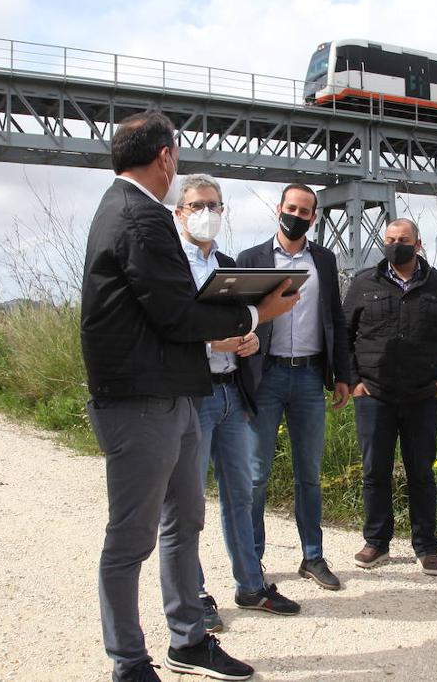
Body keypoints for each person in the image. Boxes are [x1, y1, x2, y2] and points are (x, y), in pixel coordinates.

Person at [81, 111, 299, 682]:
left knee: (185, 521)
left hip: (175, 394)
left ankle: (188, 639)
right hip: (140, 400)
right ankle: (128, 661)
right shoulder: (139, 217)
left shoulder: (128, 211)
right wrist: (261, 310)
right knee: (130, 537)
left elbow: (167, 311)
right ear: (166, 158)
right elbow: (178, 312)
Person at [172, 174, 302, 633]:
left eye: (213, 205)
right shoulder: (171, 265)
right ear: (179, 212)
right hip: (194, 393)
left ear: (223, 212)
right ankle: (195, 593)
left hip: (232, 392)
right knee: (190, 500)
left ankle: (251, 583)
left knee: (241, 492)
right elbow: (173, 328)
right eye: (195, 205)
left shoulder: (229, 265)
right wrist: (214, 343)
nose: (205, 213)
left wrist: (247, 341)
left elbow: (244, 323)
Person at [236, 184, 352, 591]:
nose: (297, 216)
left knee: (310, 475)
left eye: (305, 211)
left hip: (308, 377)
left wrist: (343, 375)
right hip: (264, 376)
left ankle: (313, 557)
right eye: (291, 208)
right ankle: (253, 559)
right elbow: (239, 317)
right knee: (255, 475)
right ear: (278, 209)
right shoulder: (251, 258)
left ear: (314, 217)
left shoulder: (324, 259)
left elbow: (334, 318)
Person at [343, 218, 437, 575]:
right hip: (374, 394)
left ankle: (426, 547)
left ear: (419, 244)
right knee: (374, 471)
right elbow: (345, 333)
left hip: (424, 394)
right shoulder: (364, 282)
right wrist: (353, 381)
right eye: (391, 239)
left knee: (421, 472)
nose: (397, 244)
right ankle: (376, 542)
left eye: (404, 239)